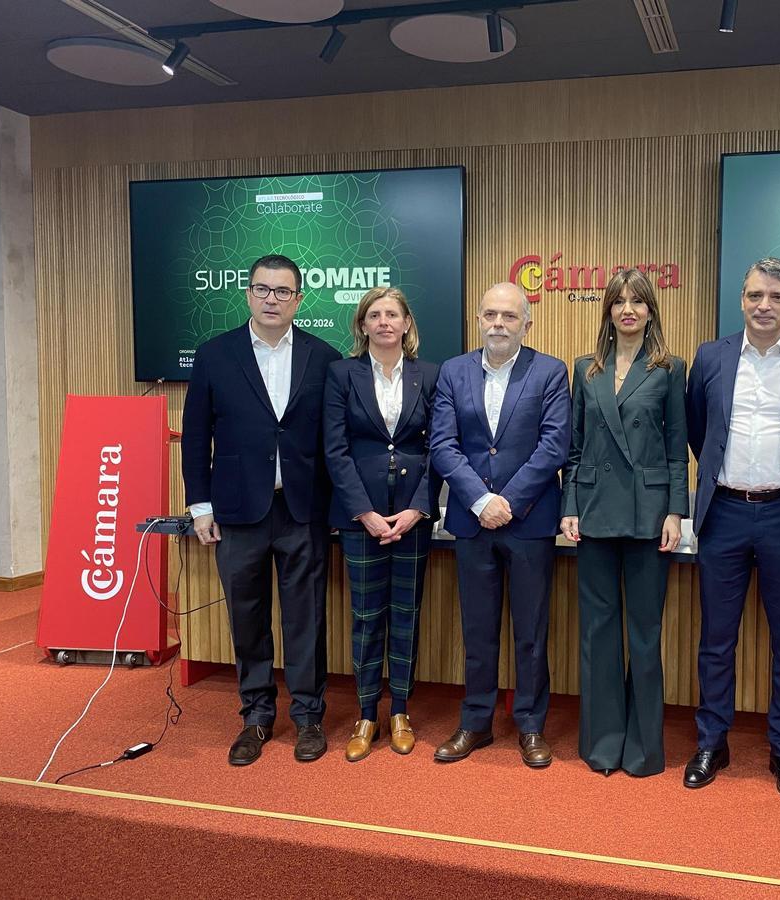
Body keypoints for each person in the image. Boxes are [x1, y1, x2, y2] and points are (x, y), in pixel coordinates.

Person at [684, 257, 780, 799]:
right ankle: (712, 741)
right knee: (716, 638)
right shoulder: (710, 357)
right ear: (742, 298)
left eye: (777, 297)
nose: (764, 305)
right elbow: (698, 429)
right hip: (723, 513)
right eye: (755, 295)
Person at [182, 253, 341, 766]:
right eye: (263, 289)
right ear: (248, 294)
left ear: (298, 300)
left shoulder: (325, 357)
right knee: (246, 616)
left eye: (283, 291)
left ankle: (309, 716)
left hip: (303, 510)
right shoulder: (214, 355)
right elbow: (196, 438)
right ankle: (255, 715)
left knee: (305, 617)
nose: (272, 299)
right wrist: (200, 505)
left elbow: (332, 442)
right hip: (236, 511)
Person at [429, 282, 570, 767]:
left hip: (528, 523)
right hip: (473, 523)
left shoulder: (550, 372)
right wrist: (480, 499)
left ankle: (531, 725)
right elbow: (443, 446)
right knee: (479, 630)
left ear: (526, 323)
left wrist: (506, 501)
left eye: (509, 316)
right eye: (490, 314)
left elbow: (554, 446)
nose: (498, 324)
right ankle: (475, 723)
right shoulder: (453, 371)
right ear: (478, 320)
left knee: (531, 631)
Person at [559, 268, 688, 777]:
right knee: (597, 632)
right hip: (592, 512)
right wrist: (568, 504)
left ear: (651, 311)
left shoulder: (670, 369)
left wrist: (676, 510)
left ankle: (643, 750)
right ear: (608, 311)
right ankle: (602, 743)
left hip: (648, 514)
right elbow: (572, 447)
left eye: (638, 301)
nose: (628, 309)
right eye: (619, 302)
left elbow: (678, 449)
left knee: (644, 633)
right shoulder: (585, 368)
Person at [323, 287, 441, 761]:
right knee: (368, 617)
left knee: (407, 615)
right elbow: (334, 449)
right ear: (363, 324)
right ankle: (367, 712)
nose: (385, 321)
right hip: (361, 517)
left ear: (407, 323)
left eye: (393, 314)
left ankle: (401, 710)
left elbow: (440, 447)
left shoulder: (429, 375)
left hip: (413, 517)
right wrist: (365, 513)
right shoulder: (341, 375)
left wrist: (417, 509)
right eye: (375, 315)